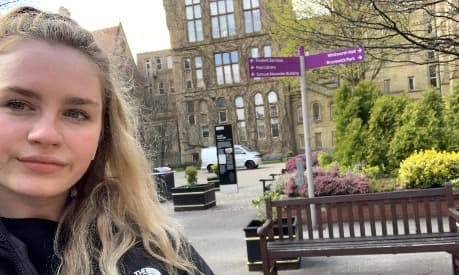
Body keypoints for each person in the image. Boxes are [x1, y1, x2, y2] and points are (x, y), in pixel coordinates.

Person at [0, 7, 213, 275]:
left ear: (105, 132)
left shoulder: (158, 251)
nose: (46, 134)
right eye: (17, 104)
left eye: (75, 113)